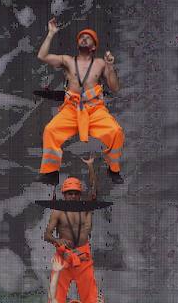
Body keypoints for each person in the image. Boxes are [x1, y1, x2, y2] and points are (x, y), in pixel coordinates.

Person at [38, 20, 124, 185]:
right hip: (71, 108)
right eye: (81, 37)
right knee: (50, 130)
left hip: (95, 109)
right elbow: (42, 56)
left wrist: (111, 67)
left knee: (116, 131)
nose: (84, 39)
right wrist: (50, 34)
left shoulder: (100, 63)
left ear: (93, 46)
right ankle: (50, 172)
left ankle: (113, 169)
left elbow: (115, 87)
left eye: (88, 38)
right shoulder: (67, 60)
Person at [42, 157, 105, 303]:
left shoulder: (87, 209)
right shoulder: (57, 212)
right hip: (63, 257)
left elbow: (94, 189)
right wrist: (57, 240)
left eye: (75, 193)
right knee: (56, 296)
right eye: (68, 193)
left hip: (83, 257)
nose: (71, 196)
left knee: (90, 296)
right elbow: (46, 234)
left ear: (79, 194)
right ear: (64, 194)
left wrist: (90, 166)